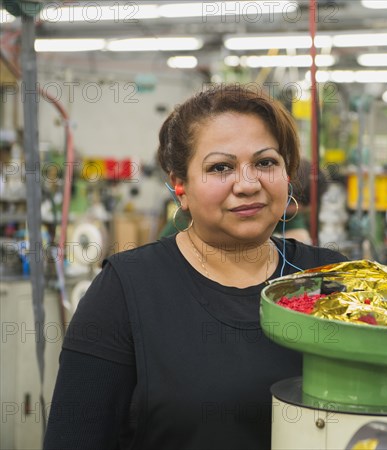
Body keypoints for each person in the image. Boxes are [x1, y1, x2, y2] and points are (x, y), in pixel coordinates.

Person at [44, 85, 346, 450]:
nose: (248, 184)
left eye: (266, 162)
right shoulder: (127, 292)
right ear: (180, 186)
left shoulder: (333, 280)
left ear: (287, 174)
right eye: (221, 167)